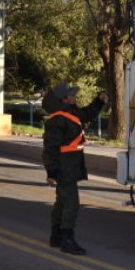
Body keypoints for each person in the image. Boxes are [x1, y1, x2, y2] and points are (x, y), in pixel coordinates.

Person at [42, 82, 107, 255]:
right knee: (72, 203)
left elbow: (88, 113)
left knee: (62, 201)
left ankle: (56, 236)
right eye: (72, 94)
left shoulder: (71, 113)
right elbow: (50, 148)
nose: (75, 96)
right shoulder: (57, 120)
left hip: (71, 165)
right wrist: (51, 172)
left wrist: (99, 101)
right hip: (64, 168)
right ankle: (67, 239)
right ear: (64, 99)